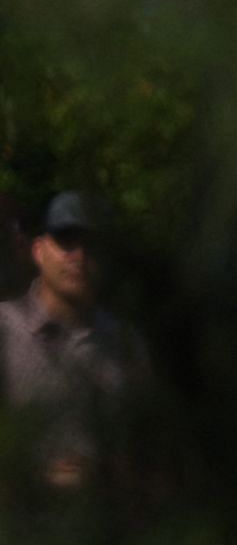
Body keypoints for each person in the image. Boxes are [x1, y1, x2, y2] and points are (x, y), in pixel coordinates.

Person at [0, 191, 144, 494]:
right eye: (66, 240)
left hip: (103, 525)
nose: (78, 255)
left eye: (90, 245)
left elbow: (143, 448)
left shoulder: (124, 343)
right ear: (38, 250)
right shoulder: (6, 330)